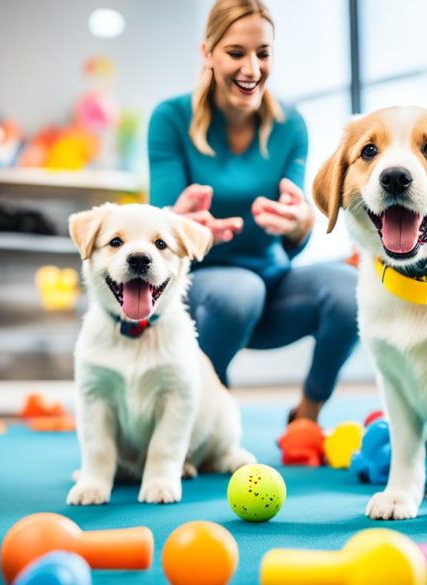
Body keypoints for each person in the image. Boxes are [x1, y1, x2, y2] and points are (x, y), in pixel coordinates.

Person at [148, 0, 358, 423]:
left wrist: (300, 224)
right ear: (207, 53)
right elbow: (158, 241)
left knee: (351, 289)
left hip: (273, 286)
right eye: (236, 53)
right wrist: (176, 223)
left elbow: (291, 241)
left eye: (263, 53)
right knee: (239, 291)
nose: (252, 69)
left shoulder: (291, 125)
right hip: (206, 295)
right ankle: (205, 412)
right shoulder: (170, 119)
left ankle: (307, 414)